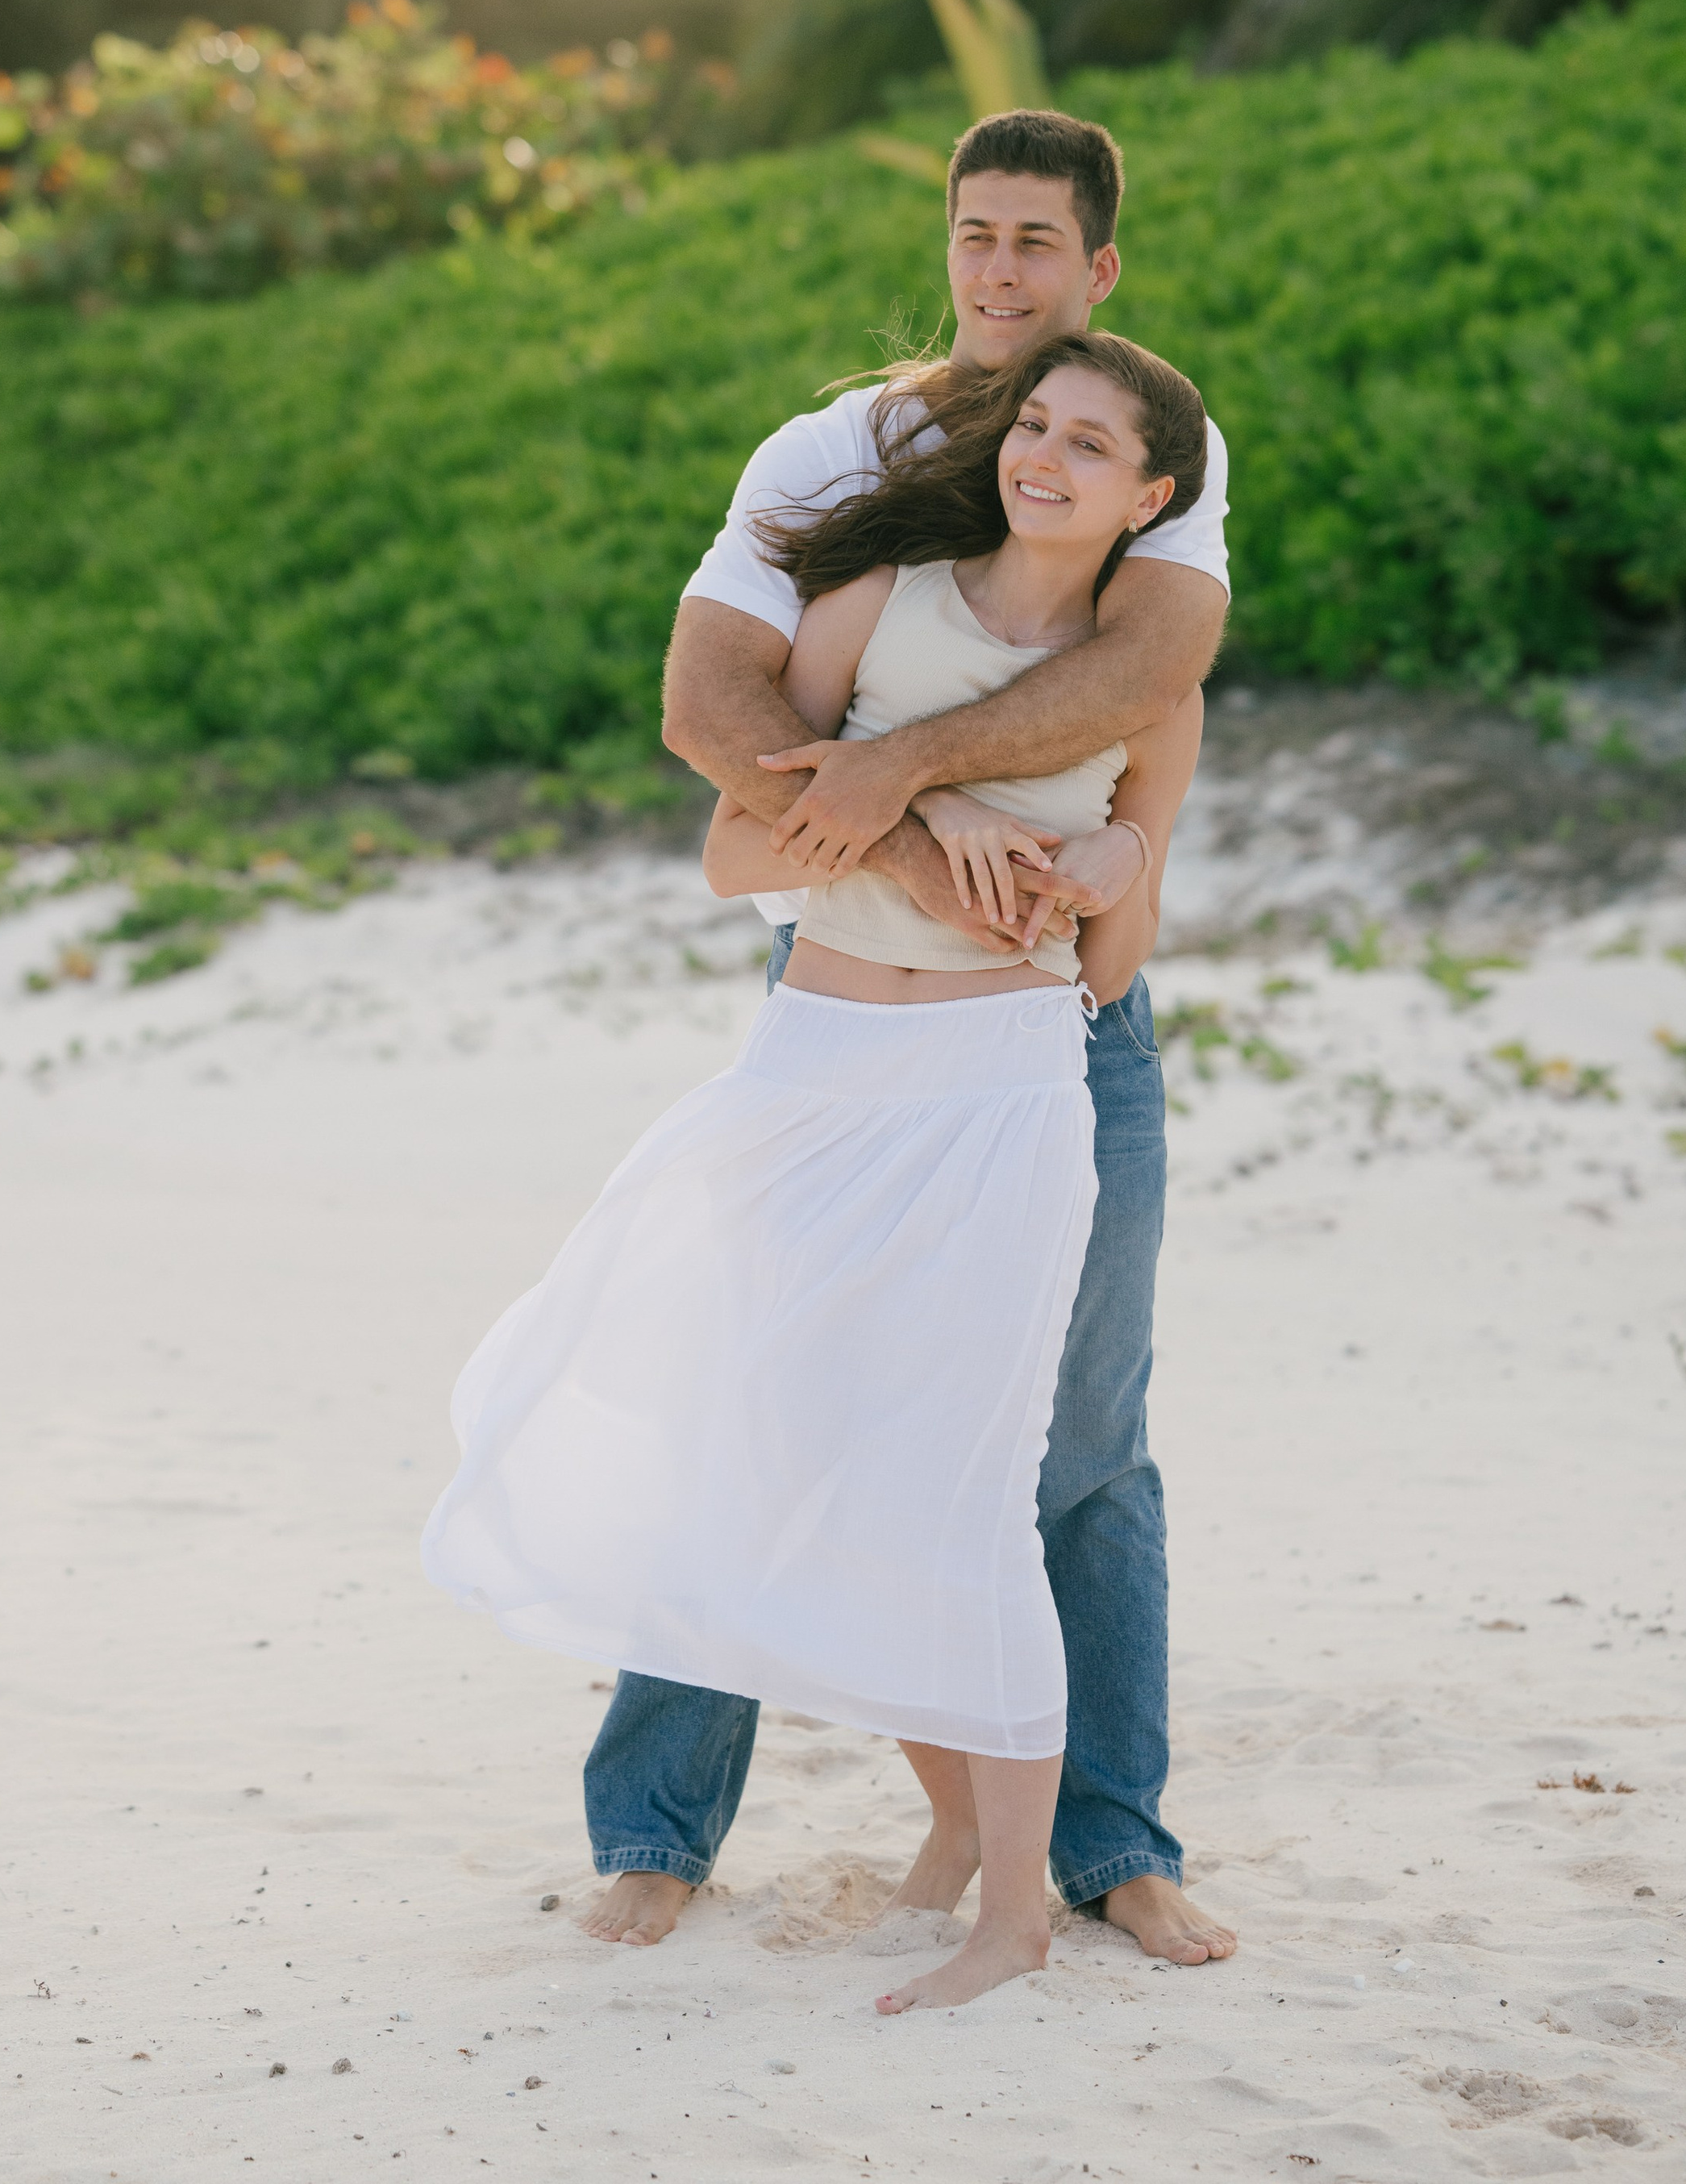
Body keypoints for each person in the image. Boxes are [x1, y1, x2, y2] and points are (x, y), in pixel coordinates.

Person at [424, 331, 1205, 2011]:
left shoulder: (1144, 685)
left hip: (1001, 1088)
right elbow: (727, 846)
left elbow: (1111, 953)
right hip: (811, 1070)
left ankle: (1011, 1910)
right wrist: (938, 833)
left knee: (974, 1482)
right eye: (1036, 427)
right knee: (773, 1438)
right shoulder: (882, 600)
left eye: (1089, 444)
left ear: (1147, 498)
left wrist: (1107, 849)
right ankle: (842, 1831)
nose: (1045, 457)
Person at [581, 106, 1238, 1969]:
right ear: (944, 244)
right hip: (836, 1015)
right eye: (975, 233)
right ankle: (656, 1825)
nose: (1000, 270)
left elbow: (1146, 670)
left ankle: (1111, 1843)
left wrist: (929, 773)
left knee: (1080, 1445)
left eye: (1038, 239)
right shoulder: (836, 450)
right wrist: (899, 804)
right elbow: (708, 697)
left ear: (1096, 265)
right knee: (754, 1400)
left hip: (1046, 1040)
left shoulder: (1150, 436)